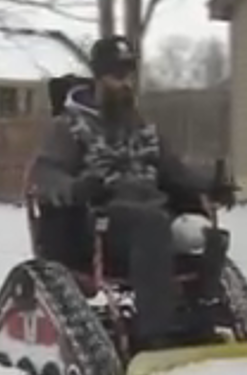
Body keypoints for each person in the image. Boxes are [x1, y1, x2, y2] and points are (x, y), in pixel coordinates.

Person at [28, 34, 236, 349]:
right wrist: (77, 187)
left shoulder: (143, 129)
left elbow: (174, 171)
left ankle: (202, 318)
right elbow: (44, 176)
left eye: (128, 75)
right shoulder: (69, 126)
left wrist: (211, 184)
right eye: (116, 75)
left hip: (153, 216)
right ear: (99, 77)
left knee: (206, 236)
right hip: (98, 223)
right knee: (150, 226)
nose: (124, 83)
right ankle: (155, 334)